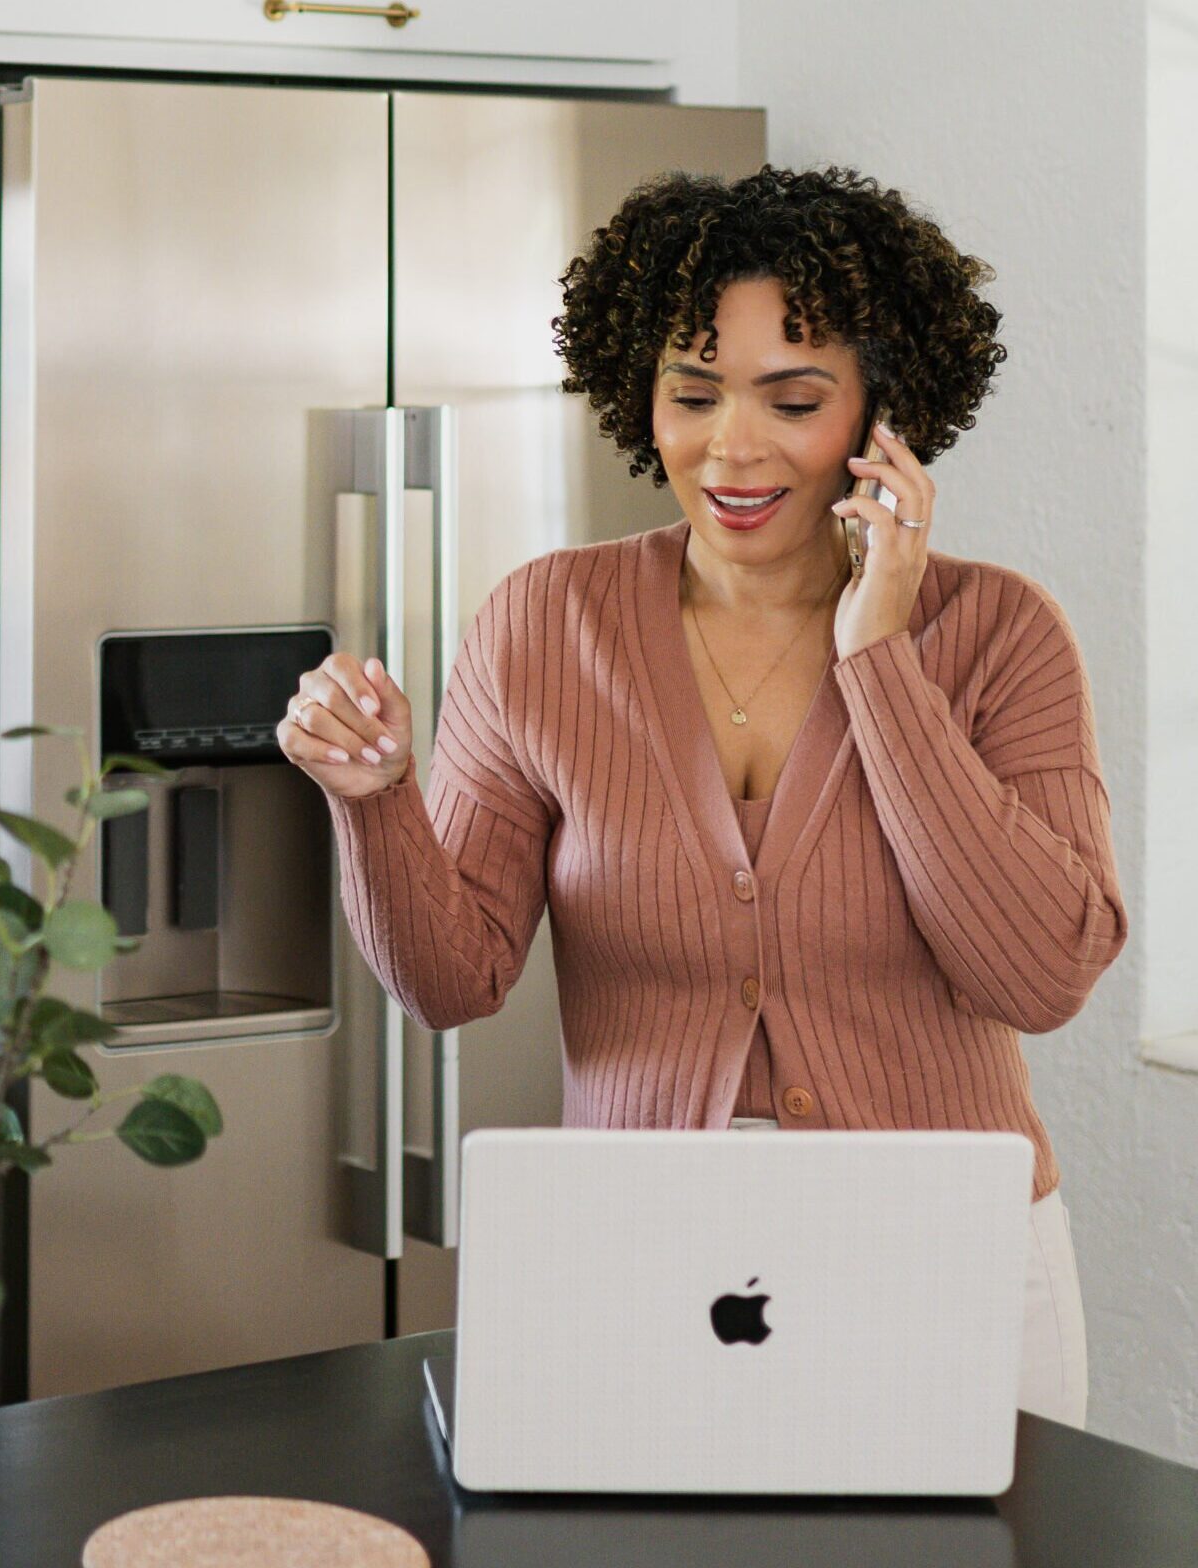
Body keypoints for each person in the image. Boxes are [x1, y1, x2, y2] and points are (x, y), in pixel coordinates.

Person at [279, 166, 1125, 1428]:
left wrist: (880, 658)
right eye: (692, 395)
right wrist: (378, 799)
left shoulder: (998, 632)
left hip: (948, 1253)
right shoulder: (544, 622)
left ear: (878, 417)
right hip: (641, 1256)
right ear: (644, 400)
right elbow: (451, 980)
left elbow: (1042, 974)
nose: (732, 447)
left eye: (793, 399)